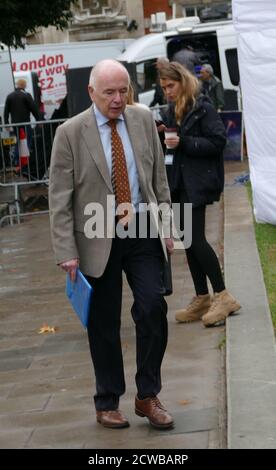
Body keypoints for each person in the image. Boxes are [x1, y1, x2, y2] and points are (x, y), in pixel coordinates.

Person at [49, 59, 174, 430]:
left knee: (153, 306)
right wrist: (65, 251)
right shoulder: (70, 133)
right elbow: (59, 198)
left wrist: (167, 227)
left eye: (123, 91)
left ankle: (147, 395)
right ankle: (107, 401)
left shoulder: (142, 120)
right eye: (110, 92)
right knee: (103, 323)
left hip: (141, 230)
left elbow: (158, 179)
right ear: (91, 92)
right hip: (95, 235)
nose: (118, 99)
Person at [158, 61, 241, 327]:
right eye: (163, 87)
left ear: (182, 81)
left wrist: (184, 142)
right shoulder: (172, 110)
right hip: (180, 182)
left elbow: (218, 142)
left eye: (170, 86)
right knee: (188, 241)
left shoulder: (202, 106)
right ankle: (202, 296)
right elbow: (174, 146)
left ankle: (223, 295)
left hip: (199, 182)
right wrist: (165, 135)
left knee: (195, 240)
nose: (167, 91)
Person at [4, 78, 41, 164]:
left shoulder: (10, 96)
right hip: (25, 123)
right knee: (26, 141)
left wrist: (6, 123)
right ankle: (26, 161)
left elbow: (6, 111)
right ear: (24, 85)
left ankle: (16, 160)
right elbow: (34, 109)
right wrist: (38, 120)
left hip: (15, 124)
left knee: (18, 141)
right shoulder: (26, 95)